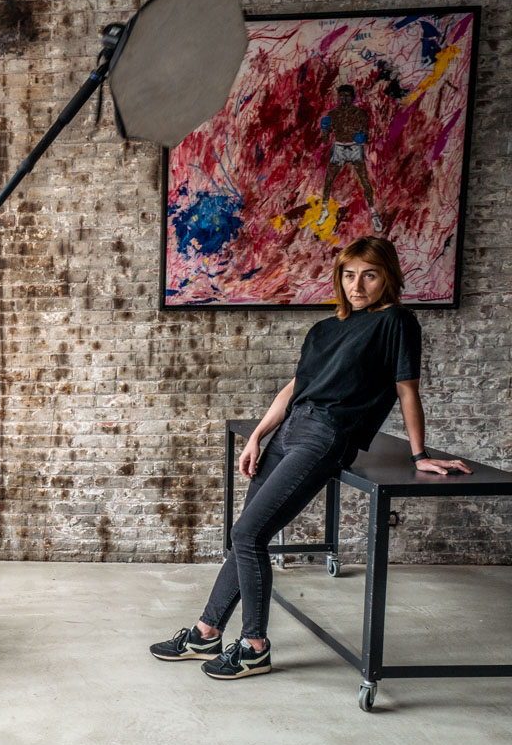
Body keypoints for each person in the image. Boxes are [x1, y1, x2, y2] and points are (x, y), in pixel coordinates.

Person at [149, 237, 471, 679]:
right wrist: (257, 436)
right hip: (290, 431)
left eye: (370, 275)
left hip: (326, 435)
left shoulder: (396, 321)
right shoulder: (323, 329)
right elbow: (294, 388)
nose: (357, 285)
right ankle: (206, 633)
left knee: (248, 534)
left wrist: (420, 454)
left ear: (388, 278)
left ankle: (254, 646)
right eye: (349, 275)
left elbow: (406, 390)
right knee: (245, 537)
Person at [317, 84, 383, 233]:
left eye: (346, 96)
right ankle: (324, 210)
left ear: (352, 97)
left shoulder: (360, 113)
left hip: (354, 148)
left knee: (364, 180)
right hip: (339, 148)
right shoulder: (333, 114)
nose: (343, 99)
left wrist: (362, 137)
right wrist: (324, 129)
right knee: (328, 180)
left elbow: (366, 135)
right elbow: (325, 140)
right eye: (341, 96)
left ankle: (374, 213)